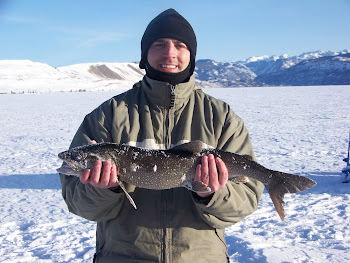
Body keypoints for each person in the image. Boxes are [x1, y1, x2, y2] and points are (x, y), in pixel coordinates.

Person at [60, 8, 264, 263]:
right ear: (145, 54)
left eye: (180, 45)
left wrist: (211, 194)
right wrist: (106, 190)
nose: (170, 53)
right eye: (159, 44)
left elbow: (244, 203)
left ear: (191, 55)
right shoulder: (107, 116)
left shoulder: (220, 117)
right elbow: (79, 204)